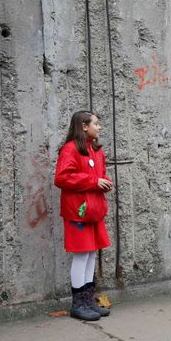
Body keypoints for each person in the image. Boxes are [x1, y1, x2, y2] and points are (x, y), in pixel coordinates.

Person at [54, 111, 113, 320]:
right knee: (81, 254)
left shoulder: (95, 150)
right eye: (96, 123)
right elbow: (62, 178)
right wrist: (92, 181)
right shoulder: (70, 149)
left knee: (90, 254)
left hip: (93, 211)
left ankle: (88, 300)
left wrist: (104, 181)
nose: (100, 127)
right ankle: (78, 304)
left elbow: (100, 174)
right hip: (78, 212)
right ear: (84, 126)